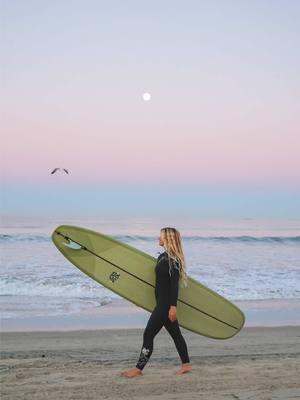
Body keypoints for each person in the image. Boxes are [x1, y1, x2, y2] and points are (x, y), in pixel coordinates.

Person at [121, 227, 192, 378]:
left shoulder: (173, 260)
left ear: (168, 239)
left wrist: (173, 307)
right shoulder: (162, 257)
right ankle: (186, 365)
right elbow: (158, 284)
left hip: (165, 305)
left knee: (148, 334)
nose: (158, 238)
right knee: (176, 335)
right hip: (161, 303)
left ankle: (138, 369)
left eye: (160, 236)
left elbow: (174, 286)